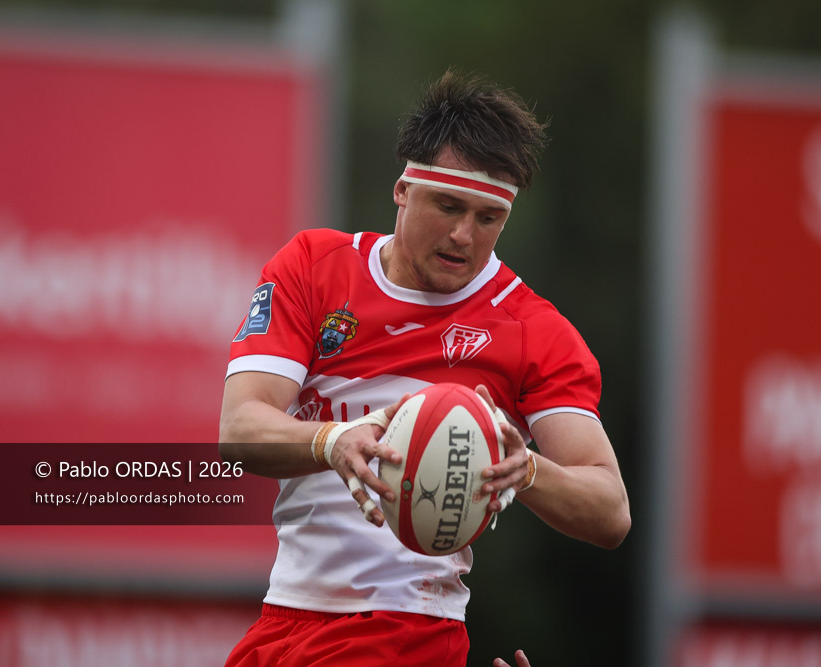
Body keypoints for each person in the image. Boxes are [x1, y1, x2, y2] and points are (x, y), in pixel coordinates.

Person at [219, 69, 631, 667]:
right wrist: (333, 441)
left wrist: (527, 470)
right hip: (284, 618)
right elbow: (240, 429)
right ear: (403, 190)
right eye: (449, 205)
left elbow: (610, 509)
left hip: (403, 630)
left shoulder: (530, 328)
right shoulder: (314, 268)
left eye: (489, 218)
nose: (465, 235)